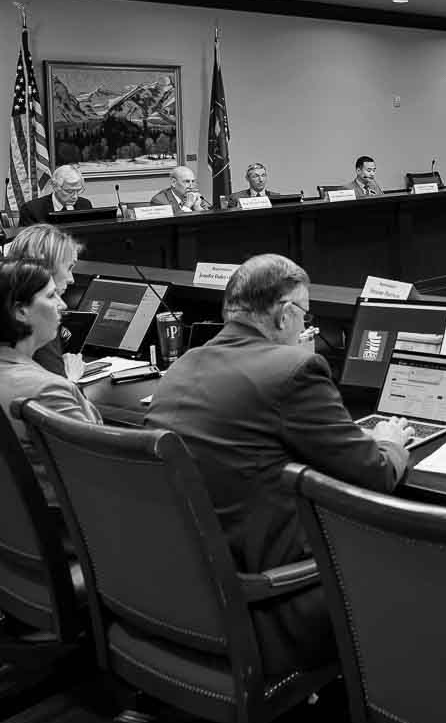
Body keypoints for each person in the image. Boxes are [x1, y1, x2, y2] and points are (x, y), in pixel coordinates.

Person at [147, 254, 411, 670]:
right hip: (274, 598)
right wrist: (391, 444)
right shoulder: (294, 369)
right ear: (286, 314)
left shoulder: (182, 364)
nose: (305, 325)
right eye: (305, 314)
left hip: (189, 590)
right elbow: (374, 474)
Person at [0, 259, 103, 502]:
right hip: (69, 517)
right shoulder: (48, 389)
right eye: (51, 296)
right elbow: (98, 467)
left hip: (2, 510)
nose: (63, 305)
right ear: (20, 311)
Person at [0, 223, 83, 377]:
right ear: (48, 266)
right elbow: (56, 394)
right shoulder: (37, 315)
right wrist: (72, 376)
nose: (71, 279)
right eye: (69, 268)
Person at [19, 166, 91, 224]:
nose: (75, 196)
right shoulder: (32, 210)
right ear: (55, 186)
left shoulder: (85, 205)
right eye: (69, 191)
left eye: (78, 190)